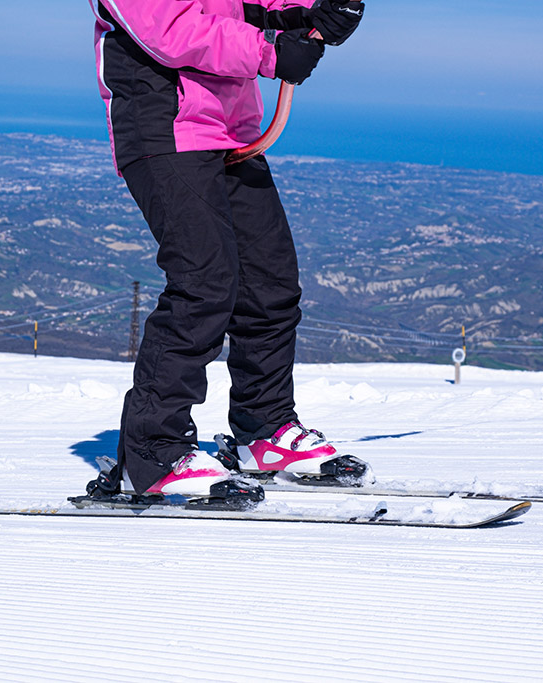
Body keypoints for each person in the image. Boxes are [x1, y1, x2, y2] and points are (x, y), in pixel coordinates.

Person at [85, 0, 364, 502]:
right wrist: (270, 53)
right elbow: (168, 27)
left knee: (270, 283)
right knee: (203, 282)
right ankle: (153, 450)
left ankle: (266, 429)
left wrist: (313, 9)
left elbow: (250, 4)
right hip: (164, 125)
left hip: (230, 127)